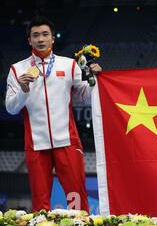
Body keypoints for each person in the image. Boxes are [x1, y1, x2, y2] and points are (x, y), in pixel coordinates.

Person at [5, 16, 102, 212]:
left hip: (67, 141)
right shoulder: (17, 69)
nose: (40, 39)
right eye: (35, 35)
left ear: (53, 39)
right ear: (29, 40)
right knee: (40, 204)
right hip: (36, 144)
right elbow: (11, 108)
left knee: (76, 198)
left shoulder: (69, 65)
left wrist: (95, 79)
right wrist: (24, 90)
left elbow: (85, 97)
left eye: (45, 34)